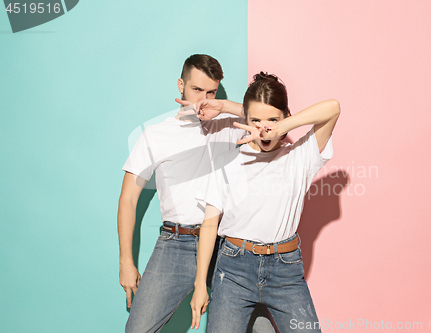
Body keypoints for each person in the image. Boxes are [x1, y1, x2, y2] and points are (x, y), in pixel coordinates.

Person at [191, 72, 341, 332]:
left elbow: (333, 108)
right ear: (245, 120)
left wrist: (283, 126)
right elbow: (208, 225)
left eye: (273, 119)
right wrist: (198, 285)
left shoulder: (300, 156)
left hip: (285, 270)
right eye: (256, 121)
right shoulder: (228, 161)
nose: (265, 128)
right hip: (233, 269)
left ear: (286, 118)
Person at [118, 54, 257, 332]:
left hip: (224, 243)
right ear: (181, 85)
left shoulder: (229, 127)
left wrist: (225, 107)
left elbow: (273, 121)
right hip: (176, 243)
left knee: (259, 326)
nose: (202, 99)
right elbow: (128, 198)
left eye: (211, 92)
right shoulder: (155, 135)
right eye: (196, 90)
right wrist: (126, 261)